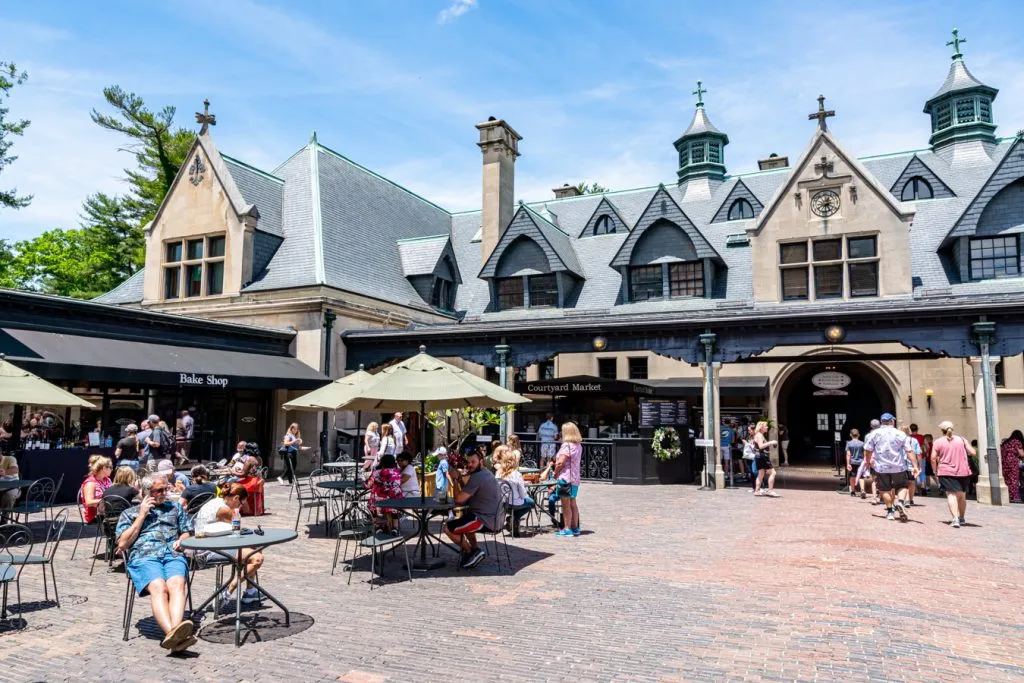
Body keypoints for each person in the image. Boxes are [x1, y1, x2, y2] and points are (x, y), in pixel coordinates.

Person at [115, 475, 195, 652]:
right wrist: (142, 515)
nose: (164, 493)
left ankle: (175, 635)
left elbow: (187, 531)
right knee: (159, 587)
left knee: (177, 583)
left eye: (166, 489)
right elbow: (122, 544)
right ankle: (174, 634)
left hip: (172, 553)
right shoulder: (130, 513)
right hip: (144, 556)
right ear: (146, 492)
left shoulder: (174, 508)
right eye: (159, 490)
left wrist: (182, 540)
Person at [193, 484, 265, 603]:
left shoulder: (215, 502)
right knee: (256, 557)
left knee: (253, 549)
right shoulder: (224, 510)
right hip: (208, 551)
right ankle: (227, 590)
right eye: (241, 503)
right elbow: (237, 528)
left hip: (209, 545)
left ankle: (250, 592)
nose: (240, 506)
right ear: (236, 498)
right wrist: (237, 512)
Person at [444, 450, 502, 569]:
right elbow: (467, 493)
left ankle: (471, 552)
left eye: (473, 462)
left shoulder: (478, 477)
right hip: (494, 518)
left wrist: (454, 480)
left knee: (447, 528)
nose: (470, 464)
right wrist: (460, 479)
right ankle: (475, 550)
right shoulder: (485, 473)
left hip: (485, 520)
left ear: (481, 462)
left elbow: (459, 499)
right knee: (465, 518)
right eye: (468, 462)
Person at [864, 412, 917, 522]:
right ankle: (901, 502)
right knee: (903, 486)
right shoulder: (900, 434)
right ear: (892, 421)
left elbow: (868, 450)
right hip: (898, 466)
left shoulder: (874, 434)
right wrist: (915, 465)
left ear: (881, 422)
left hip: (881, 467)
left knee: (884, 489)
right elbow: (909, 451)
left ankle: (890, 512)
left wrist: (867, 462)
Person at [931, 421, 975, 528]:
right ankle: (962, 518)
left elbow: (933, 458)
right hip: (963, 471)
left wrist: (935, 470)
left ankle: (955, 519)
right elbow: (973, 452)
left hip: (946, 471)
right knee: (962, 495)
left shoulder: (938, 442)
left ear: (942, 430)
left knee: (951, 495)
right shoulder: (962, 439)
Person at [494, 445, 532, 537]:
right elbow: (523, 494)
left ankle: (513, 520)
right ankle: (515, 518)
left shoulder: (498, 473)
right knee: (531, 502)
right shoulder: (516, 474)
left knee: (521, 503)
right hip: (516, 502)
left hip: (503, 503)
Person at [553, 422, 583, 536]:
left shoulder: (567, 445)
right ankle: (575, 528)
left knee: (565, 505)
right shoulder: (578, 445)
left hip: (565, 477)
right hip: (575, 478)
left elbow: (560, 462)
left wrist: (555, 473)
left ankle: (567, 528)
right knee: (573, 503)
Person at [367, 453, 403, 533]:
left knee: (373, 506)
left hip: (380, 499)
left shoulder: (377, 472)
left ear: (382, 463)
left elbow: (369, 485)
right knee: (394, 511)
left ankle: (378, 527)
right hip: (395, 499)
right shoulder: (397, 472)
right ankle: (395, 528)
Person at [81, 455, 113, 524]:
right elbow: (89, 502)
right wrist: (107, 500)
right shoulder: (90, 483)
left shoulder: (107, 480)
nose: (112, 469)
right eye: (110, 467)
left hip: (107, 511)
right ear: (104, 468)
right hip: (95, 515)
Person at [752, 421, 779, 497]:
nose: (767, 427)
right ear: (761, 427)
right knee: (773, 473)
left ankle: (757, 491)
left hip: (758, 456)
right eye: (766, 426)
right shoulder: (759, 435)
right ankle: (770, 490)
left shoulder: (758, 435)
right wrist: (771, 442)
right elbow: (761, 446)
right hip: (762, 456)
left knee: (761, 474)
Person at [901, 424, 923, 505]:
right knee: (912, 482)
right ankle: (910, 499)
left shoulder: (898, 440)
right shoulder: (914, 440)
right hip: (912, 465)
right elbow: (919, 454)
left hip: (901, 465)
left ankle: (905, 499)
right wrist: (919, 465)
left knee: (903, 483)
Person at [1001, 429, 1023, 504]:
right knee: (1014, 480)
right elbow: (1022, 454)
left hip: (1004, 463)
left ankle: (1007, 496)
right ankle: (1014, 497)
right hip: (1012, 463)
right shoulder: (1017, 442)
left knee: (1007, 480)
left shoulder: (1006, 442)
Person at [845, 429, 867, 498]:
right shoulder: (862, 443)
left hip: (852, 462)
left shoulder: (849, 443)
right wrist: (865, 461)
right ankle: (862, 490)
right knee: (861, 477)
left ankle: (853, 491)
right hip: (861, 462)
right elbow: (864, 454)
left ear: (850, 435)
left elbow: (848, 454)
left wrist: (848, 464)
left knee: (852, 477)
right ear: (859, 435)